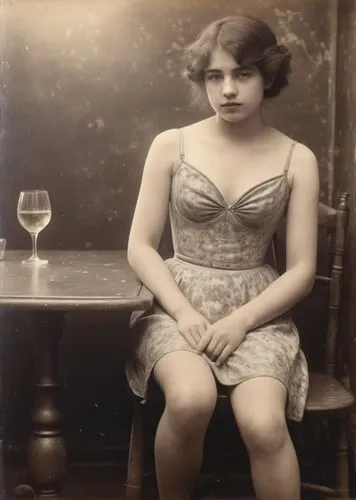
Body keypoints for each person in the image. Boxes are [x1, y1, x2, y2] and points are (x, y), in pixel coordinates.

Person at [126, 14, 319, 500]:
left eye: (243, 74)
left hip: (257, 313)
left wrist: (241, 321)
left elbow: (301, 270)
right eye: (215, 76)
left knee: (263, 424)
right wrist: (184, 311)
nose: (228, 89)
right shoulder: (172, 145)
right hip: (176, 304)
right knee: (191, 400)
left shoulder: (297, 158)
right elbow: (140, 247)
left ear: (269, 77)